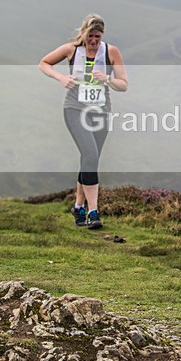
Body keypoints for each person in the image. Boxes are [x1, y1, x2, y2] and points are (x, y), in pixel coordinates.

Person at [39, 13, 128, 229]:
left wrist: (107, 79)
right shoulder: (71, 50)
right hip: (75, 109)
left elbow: (123, 84)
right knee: (90, 155)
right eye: (91, 36)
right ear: (83, 33)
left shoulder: (111, 52)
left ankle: (78, 206)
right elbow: (44, 63)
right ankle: (93, 211)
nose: (94, 41)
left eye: (98, 36)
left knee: (90, 160)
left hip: (100, 112)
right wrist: (61, 78)